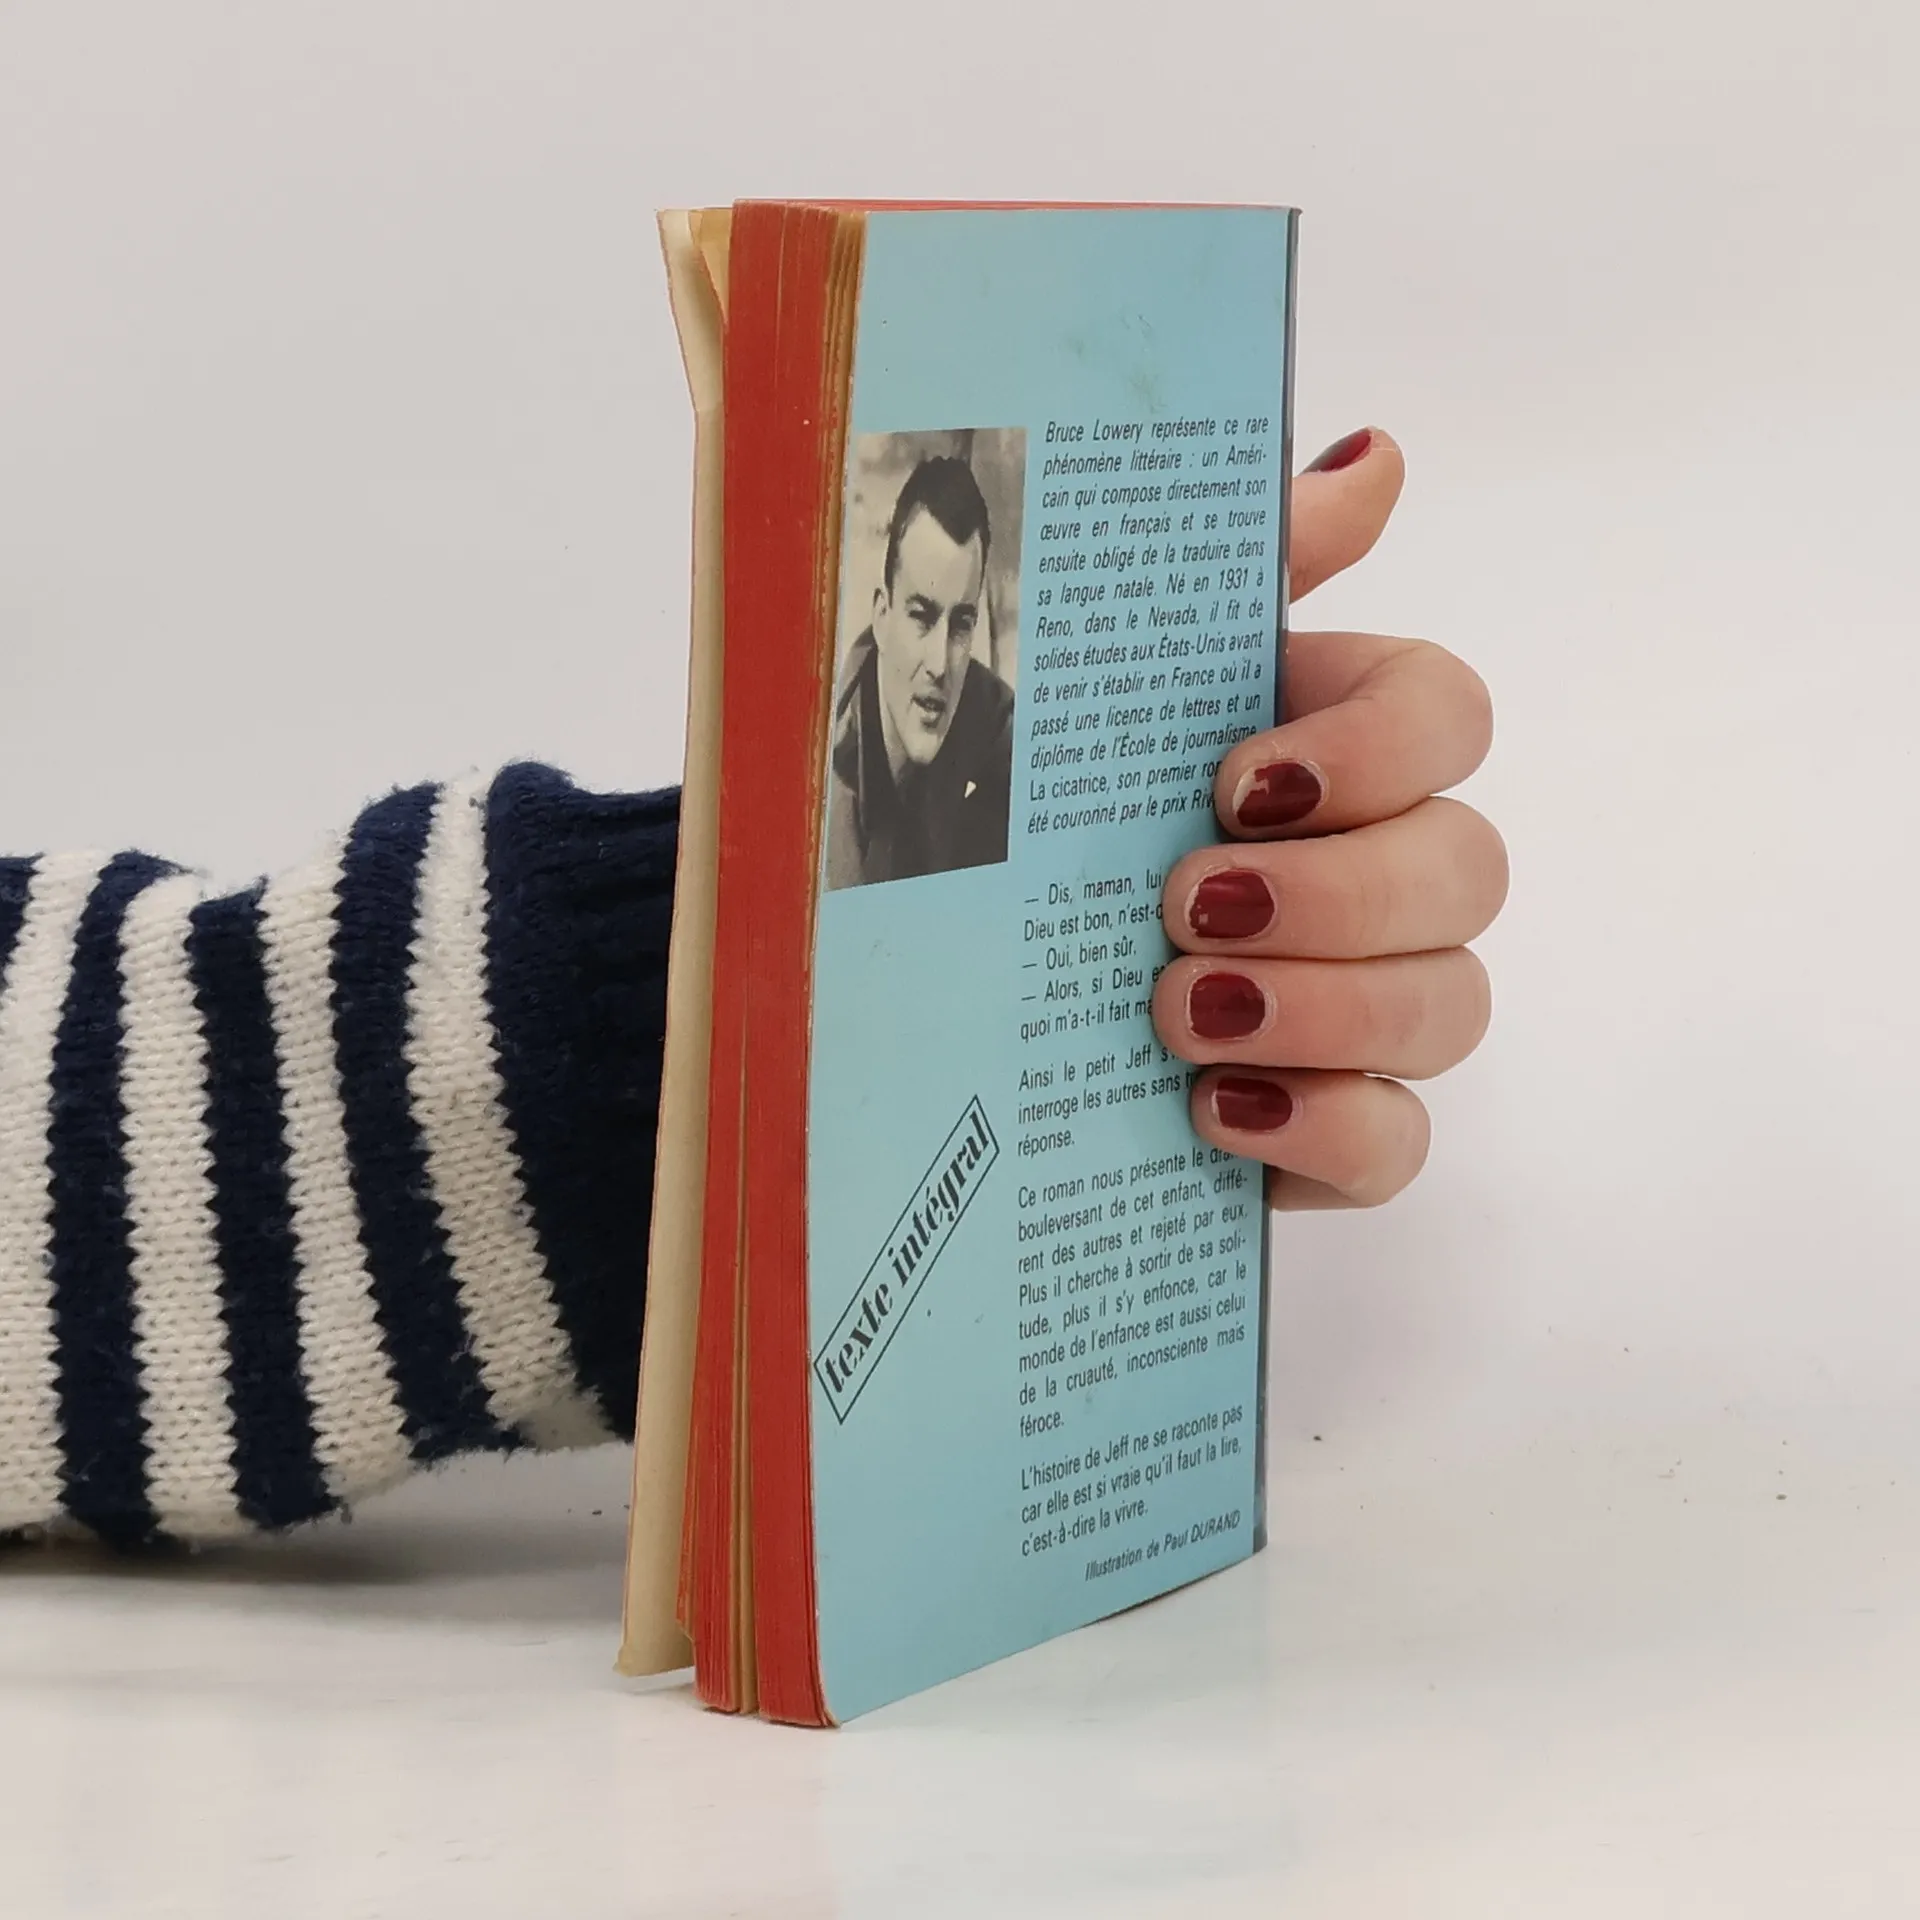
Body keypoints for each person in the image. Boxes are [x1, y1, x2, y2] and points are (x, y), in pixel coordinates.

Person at [0, 425, 1504, 1547]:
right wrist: (627, 1054)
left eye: (961, 623)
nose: (937, 661)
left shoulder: (976, 755)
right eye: (912, 616)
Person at [824, 453, 1014, 889]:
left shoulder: (974, 700)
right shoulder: (832, 787)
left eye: (960, 624)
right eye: (922, 617)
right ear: (882, 616)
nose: (939, 664)